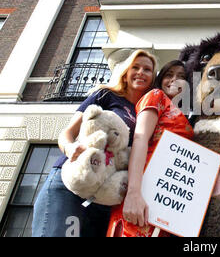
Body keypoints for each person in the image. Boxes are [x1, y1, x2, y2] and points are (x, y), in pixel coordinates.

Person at [32, 49, 157, 237]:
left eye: (147, 69)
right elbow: (67, 133)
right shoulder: (105, 95)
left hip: (105, 198)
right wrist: (70, 147)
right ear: (125, 74)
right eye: (135, 67)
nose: (141, 72)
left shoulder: (148, 113)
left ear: (153, 78)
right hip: (72, 184)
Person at [107, 60, 194, 237]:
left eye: (182, 76)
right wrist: (133, 193)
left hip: (167, 204)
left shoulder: (189, 116)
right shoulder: (156, 96)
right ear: (160, 79)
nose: (174, 80)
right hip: (141, 193)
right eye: (169, 75)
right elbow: (140, 138)